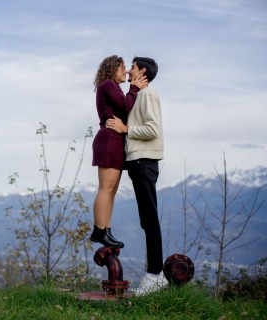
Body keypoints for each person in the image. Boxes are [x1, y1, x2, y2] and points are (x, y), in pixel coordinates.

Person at [105, 56, 168, 295]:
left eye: (132, 67)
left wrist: (125, 129)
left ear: (142, 70)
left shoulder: (147, 95)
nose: (129, 70)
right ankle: (155, 274)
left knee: (150, 219)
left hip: (144, 162)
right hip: (137, 162)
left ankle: (155, 275)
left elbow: (153, 130)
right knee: (146, 219)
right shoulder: (138, 95)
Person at [90, 55, 147, 248]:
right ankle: (99, 230)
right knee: (106, 188)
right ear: (111, 68)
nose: (126, 71)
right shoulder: (107, 84)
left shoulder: (113, 87)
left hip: (116, 141)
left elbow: (125, 111)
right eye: (122, 67)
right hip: (108, 140)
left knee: (112, 190)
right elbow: (124, 107)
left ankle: (107, 229)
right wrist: (134, 88)